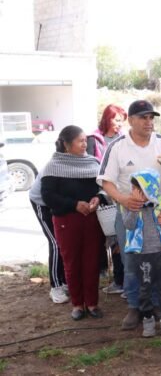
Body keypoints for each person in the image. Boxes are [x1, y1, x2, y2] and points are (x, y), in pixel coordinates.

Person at [98, 100, 161, 330]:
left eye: (151, 118)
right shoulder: (118, 147)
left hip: (157, 214)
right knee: (132, 261)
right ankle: (135, 306)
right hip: (129, 212)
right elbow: (106, 181)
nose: (148, 122)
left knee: (159, 260)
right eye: (143, 117)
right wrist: (123, 200)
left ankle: (156, 305)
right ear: (130, 120)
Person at [41, 125, 105, 320]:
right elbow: (48, 196)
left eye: (86, 140)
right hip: (66, 221)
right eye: (80, 141)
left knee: (92, 261)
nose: (85, 144)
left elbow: (104, 187)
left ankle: (92, 303)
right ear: (67, 145)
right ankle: (77, 304)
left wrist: (98, 198)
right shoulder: (53, 166)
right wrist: (74, 205)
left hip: (92, 219)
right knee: (72, 263)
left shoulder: (93, 163)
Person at [122, 169, 161, 338]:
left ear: (150, 189)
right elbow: (129, 225)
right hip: (142, 255)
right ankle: (147, 319)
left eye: (139, 190)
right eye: (133, 189)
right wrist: (135, 207)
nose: (135, 193)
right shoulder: (129, 205)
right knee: (144, 289)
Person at [87, 104, 127, 296]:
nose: (120, 124)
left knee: (121, 239)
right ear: (107, 119)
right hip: (103, 196)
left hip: (121, 194)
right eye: (116, 120)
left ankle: (122, 280)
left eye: (122, 121)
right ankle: (118, 279)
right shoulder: (94, 139)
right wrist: (100, 194)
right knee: (112, 237)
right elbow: (91, 167)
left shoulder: (124, 138)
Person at [29, 174, 69, 304]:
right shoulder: (52, 168)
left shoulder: (86, 166)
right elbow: (49, 194)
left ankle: (65, 281)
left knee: (66, 241)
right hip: (42, 201)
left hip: (60, 201)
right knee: (56, 242)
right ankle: (56, 287)